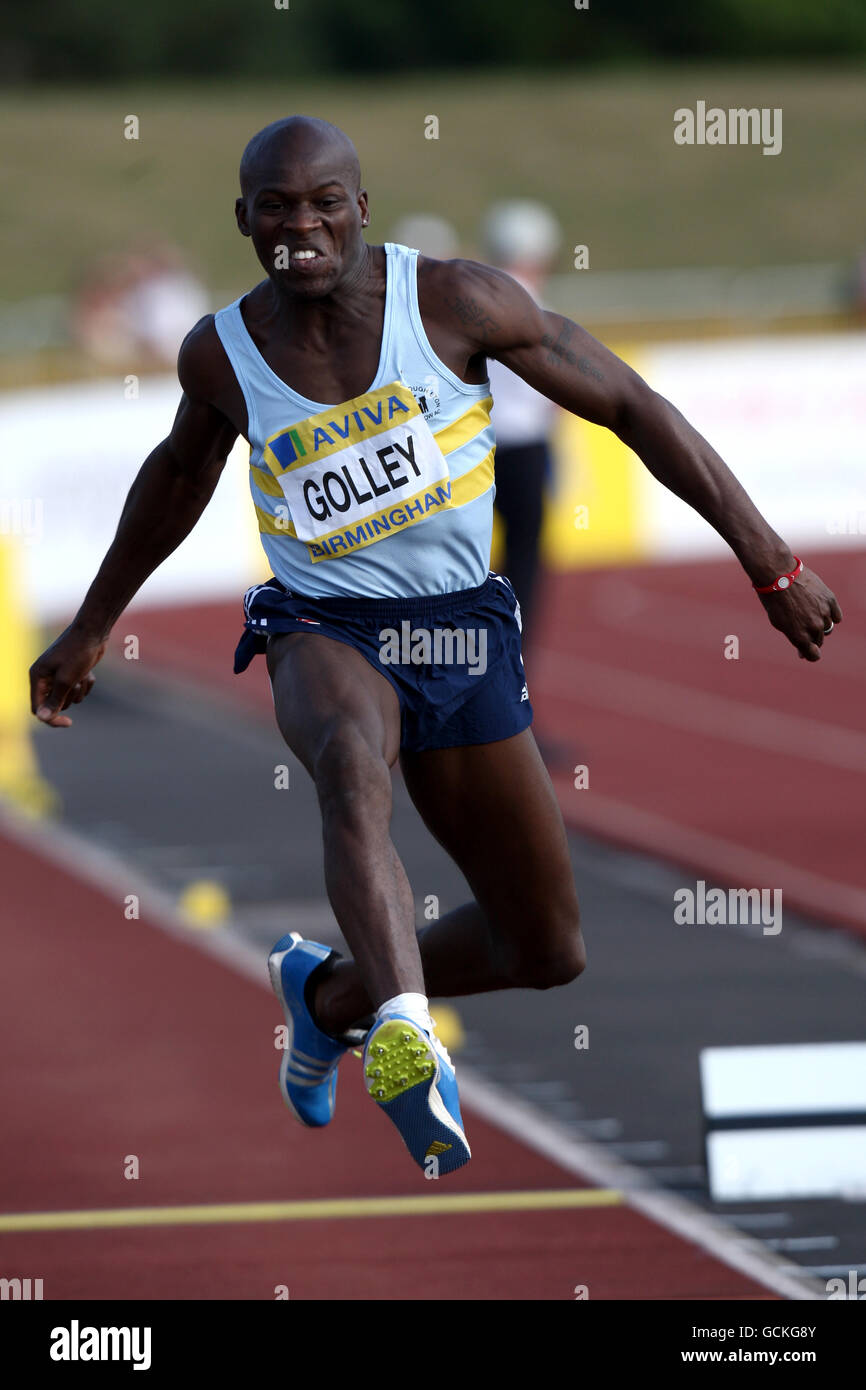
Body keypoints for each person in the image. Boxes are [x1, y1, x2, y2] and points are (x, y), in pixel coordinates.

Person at [30, 117, 842, 1178]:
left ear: (360, 209)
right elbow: (178, 478)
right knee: (347, 767)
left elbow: (631, 406)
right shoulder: (223, 351)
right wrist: (92, 626)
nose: (301, 225)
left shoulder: (455, 301)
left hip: (458, 626)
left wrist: (768, 563)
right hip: (322, 623)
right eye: (275, 207)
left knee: (542, 947)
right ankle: (405, 1032)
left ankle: (328, 997)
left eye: (324, 201)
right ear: (242, 221)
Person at [482, 200, 561, 644]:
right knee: (524, 566)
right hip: (526, 448)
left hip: (475, 446)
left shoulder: (475, 298)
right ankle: (512, 674)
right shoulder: (536, 306)